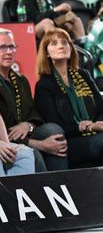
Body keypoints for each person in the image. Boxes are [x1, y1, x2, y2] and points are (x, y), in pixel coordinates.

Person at [35, 29, 103, 172]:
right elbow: (55, 124)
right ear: (47, 53)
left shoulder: (83, 75)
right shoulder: (44, 85)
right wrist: (87, 127)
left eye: (65, 42)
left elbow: (102, 111)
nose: (61, 46)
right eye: (54, 43)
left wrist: (96, 124)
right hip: (72, 141)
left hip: (96, 132)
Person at [0, 28, 67, 171]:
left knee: (54, 131)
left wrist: (28, 124)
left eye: (11, 46)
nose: (8, 51)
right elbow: (7, 131)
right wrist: (39, 144)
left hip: (24, 132)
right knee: (34, 153)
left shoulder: (21, 80)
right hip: (5, 137)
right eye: (2, 47)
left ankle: (62, 183)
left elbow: (33, 111)